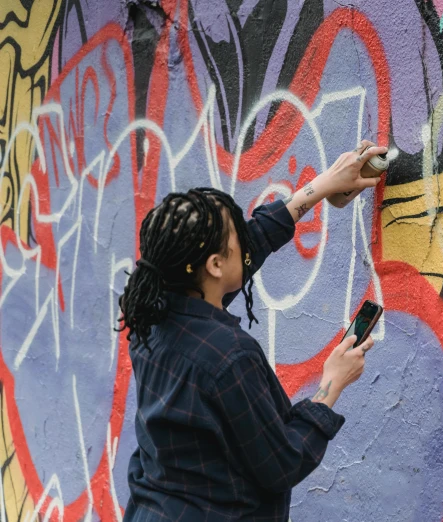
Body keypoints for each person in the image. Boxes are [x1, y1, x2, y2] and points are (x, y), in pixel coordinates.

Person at [118, 141, 387, 521]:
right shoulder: (228, 355)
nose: (245, 239)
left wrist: (323, 185)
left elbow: (251, 244)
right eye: (234, 236)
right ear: (213, 265)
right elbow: (282, 463)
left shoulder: (152, 316)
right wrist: (332, 385)